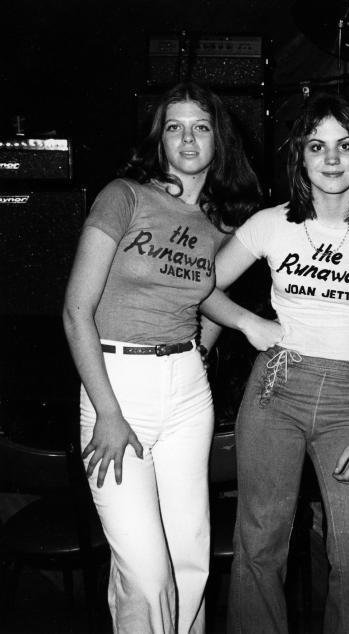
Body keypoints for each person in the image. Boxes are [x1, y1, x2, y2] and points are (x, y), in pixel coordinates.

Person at [200, 93, 349, 634]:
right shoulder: (272, 223)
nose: (332, 158)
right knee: (261, 545)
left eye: (345, 145)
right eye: (317, 146)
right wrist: (248, 324)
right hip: (277, 388)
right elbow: (199, 284)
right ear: (300, 156)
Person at [62, 82, 261, 632]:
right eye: (175, 126)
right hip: (116, 384)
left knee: (190, 558)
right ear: (160, 139)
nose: (188, 137)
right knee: (146, 572)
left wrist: (229, 333)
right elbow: (76, 311)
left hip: (185, 387)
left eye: (200, 125)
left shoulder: (218, 222)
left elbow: (201, 294)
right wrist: (106, 411)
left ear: (217, 138)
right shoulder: (123, 196)